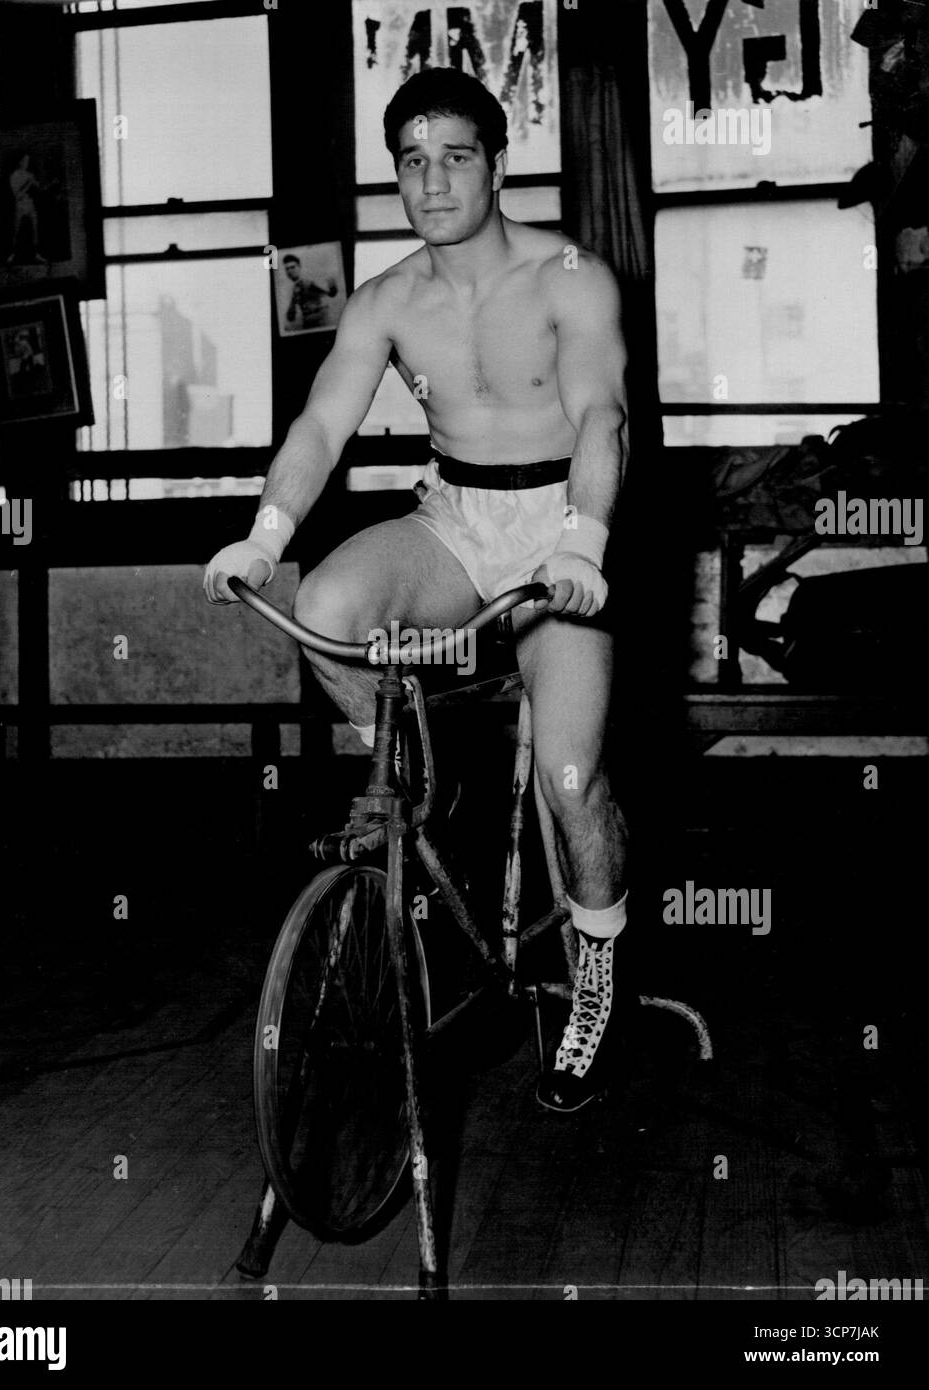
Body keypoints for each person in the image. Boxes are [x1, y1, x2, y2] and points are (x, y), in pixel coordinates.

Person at [205, 67, 630, 1113]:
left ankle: (597, 970)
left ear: (495, 162)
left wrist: (583, 542)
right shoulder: (389, 299)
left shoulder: (571, 275)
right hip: (455, 519)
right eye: (411, 160)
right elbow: (317, 428)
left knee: (571, 785)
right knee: (329, 609)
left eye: (455, 156)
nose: (432, 180)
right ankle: (413, 781)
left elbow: (603, 419)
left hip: (560, 531)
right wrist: (264, 539)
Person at [282, 254, 339, 331]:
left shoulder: (310, 280)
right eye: (287, 269)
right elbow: (290, 317)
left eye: (293, 267)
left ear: (299, 267)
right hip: (307, 322)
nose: (290, 271)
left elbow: (331, 293)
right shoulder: (294, 289)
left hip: (321, 319)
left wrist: (332, 287)